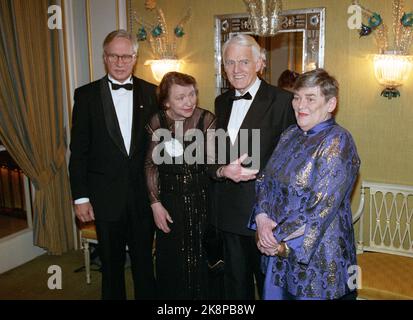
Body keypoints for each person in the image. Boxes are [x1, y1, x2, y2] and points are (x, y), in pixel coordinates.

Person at [250, 68, 360, 300]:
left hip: (319, 263)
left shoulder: (338, 140)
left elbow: (319, 207)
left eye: (311, 98)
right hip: (278, 255)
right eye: (297, 97)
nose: (301, 105)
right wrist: (261, 220)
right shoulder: (290, 134)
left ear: (330, 104)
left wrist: (274, 239)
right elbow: (264, 180)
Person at [69, 30, 158, 300]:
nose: (120, 62)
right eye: (113, 56)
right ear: (104, 58)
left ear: (135, 58)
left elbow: (159, 147)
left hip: (143, 198)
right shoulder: (85, 96)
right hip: (105, 199)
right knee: (111, 267)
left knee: (144, 266)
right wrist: (81, 197)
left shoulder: (152, 92)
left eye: (126, 56)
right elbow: (79, 151)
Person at [213, 34, 296, 300]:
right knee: (235, 287)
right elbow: (217, 151)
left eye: (244, 62)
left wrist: (273, 213)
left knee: (269, 287)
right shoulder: (221, 102)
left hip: (266, 215)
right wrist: (222, 169)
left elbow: (290, 162)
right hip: (229, 210)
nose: (236, 69)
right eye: (230, 63)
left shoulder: (283, 101)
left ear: (260, 64)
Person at [145, 72, 217, 299]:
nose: (189, 101)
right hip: (170, 202)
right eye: (180, 97)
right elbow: (150, 165)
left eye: (192, 94)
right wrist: (155, 203)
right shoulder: (157, 121)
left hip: (203, 198)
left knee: (203, 258)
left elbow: (213, 161)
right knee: (173, 260)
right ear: (166, 101)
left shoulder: (206, 119)